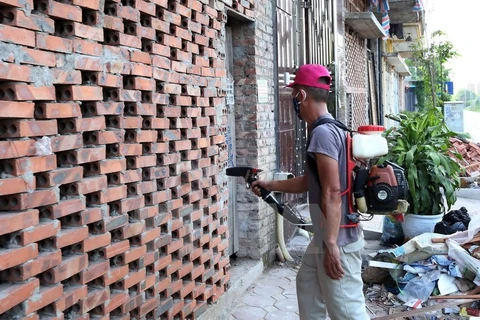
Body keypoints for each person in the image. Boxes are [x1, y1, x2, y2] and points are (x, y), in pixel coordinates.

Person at [251, 64, 370, 320]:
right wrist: (270, 185)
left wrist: (331, 246)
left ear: (302, 96)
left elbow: (332, 190)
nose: (294, 101)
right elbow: (311, 181)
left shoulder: (322, 133)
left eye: (294, 95)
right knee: (307, 285)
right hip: (326, 233)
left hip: (336, 237)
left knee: (347, 311)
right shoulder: (334, 128)